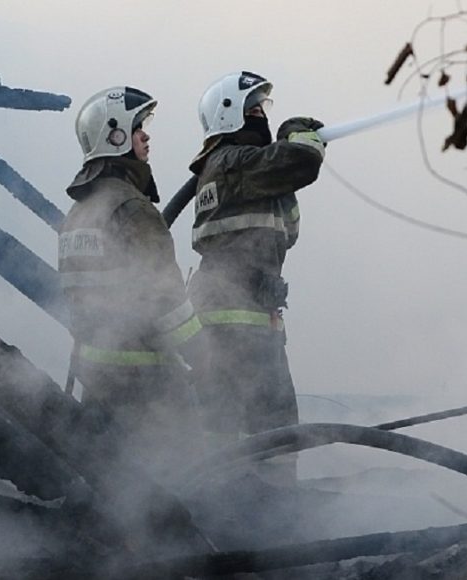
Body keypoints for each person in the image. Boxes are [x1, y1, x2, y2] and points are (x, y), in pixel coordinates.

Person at [186, 71, 325, 486]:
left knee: (251, 423)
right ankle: (264, 511)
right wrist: (295, 136)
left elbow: (289, 234)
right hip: (238, 321)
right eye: (255, 109)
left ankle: (242, 503)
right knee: (272, 424)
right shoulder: (231, 162)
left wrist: (282, 187)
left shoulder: (242, 172)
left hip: (247, 319)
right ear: (232, 117)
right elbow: (304, 159)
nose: (263, 116)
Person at [59, 86, 203, 480]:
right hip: (148, 384)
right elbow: (164, 296)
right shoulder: (132, 208)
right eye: (139, 128)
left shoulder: (79, 213)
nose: (147, 137)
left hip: (98, 378)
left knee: (113, 483)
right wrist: (205, 356)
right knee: (180, 480)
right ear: (115, 135)